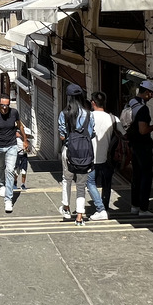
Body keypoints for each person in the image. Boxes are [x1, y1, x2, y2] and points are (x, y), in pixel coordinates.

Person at [57, 84, 98, 224]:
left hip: (69, 151)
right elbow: (92, 134)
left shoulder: (64, 113)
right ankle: (80, 217)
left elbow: (62, 136)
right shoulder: (89, 114)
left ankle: (66, 207)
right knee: (81, 184)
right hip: (85, 152)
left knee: (66, 179)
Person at [0, 93, 28, 214]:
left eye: (6, 105)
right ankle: (1, 184)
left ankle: (8, 199)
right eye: (2, 105)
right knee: (0, 167)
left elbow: (19, 126)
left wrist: (25, 140)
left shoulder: (14, 112)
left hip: (11, 145)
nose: (4, 108)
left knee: (10, 170)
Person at [127, 81, 153, 217]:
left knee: (136, 175)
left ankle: (135, 206)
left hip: (133, 144)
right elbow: (143, 130)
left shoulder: (131, 102)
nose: (151, 97)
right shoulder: (143, 109)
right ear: (146, 93)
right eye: (151, 94)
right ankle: (144, 208)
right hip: (143, 146)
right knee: (146, 176)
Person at [88, 91, 120, 218]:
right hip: (108, 158)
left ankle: (100, 209)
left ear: (93, 102)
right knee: (107, 183)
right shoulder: (113, 118)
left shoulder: (88, 117)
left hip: (91, 157)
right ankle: (105, 207)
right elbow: (123, 134)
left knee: (90, 183)